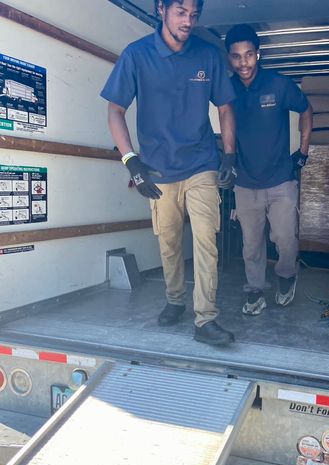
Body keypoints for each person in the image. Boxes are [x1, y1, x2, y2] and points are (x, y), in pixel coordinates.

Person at [101, 0, 237, 345]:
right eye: (180, 12)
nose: (188, 21)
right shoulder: (137, 55)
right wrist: (131, 161)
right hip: (158, 169)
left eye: (194, 15)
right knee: (170, 241)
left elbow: (225, 106)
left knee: (207, 240)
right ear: (160, 9)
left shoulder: (207, 55)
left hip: (201, 164)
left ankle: (205, 319)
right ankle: (175, 299)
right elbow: (115, 109)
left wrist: (230, 157)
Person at [225, 24, 313, 315]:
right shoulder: (227, 89)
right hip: (245, 180)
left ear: (258, 54)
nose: (243, 63)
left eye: (249, 55)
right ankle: (255, 290)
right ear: (229, 58)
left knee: (285, 239)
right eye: (236, 57)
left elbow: (305, 109)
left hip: (280, 179)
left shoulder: (279, 84)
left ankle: (287, 276)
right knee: (251, 244)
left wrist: (303, 150)